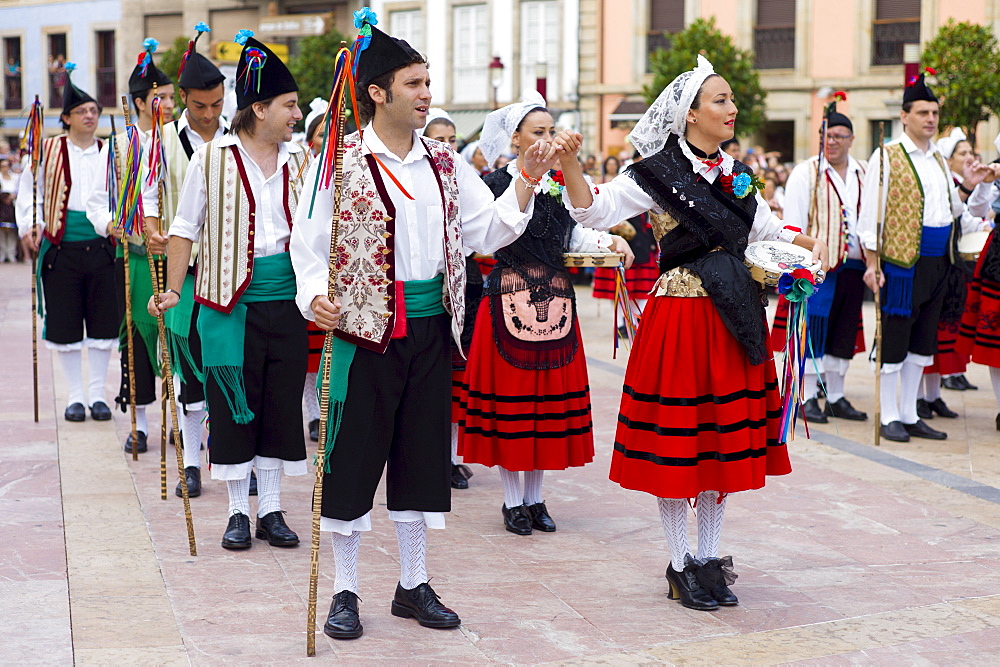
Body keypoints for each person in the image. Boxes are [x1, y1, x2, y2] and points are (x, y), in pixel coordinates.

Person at [290, 11, 562, 640]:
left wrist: (526, 181)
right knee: (353, 461)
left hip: (434, 330)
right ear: (378, 91)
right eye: (413, 83)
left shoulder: (444, 163)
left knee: (420, 459)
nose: (426, 94)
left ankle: (412, 584)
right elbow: (307, 245)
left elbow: (485, 231)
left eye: (427, 81)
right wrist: (313, 297)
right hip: (363, 334)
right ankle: (345, 590)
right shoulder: (336, 163)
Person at [558, 56, 829, 611]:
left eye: (731, 101)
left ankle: (709, 557)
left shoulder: (735, 174)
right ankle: (680, 562)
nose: (731, 109)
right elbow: (593, 212)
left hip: (733, 317)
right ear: (689, 114)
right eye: (721, 101)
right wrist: (571, 166)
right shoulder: (654, 173)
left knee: (721, 443)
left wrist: (808, 248)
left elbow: (768, 233)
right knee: (680, 443)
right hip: (680, 318)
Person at [149, 30, 308, 550]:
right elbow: (183, 227)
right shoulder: (211, 159)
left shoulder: (301, 161)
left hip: (285, 301)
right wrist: (174, 292)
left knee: (280, 405)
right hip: (225, 303)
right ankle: (239, 511)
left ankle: (274, 509)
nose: (297, 114)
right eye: (289, 104)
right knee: (234, 405)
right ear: (259, 108)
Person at [458, 91, 633, 535]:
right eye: (539, 132)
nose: (549, 140)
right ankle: (513, 501)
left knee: (542, 404)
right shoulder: (495, 184)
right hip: (506, 300)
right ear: (515, 139)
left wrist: (609, 242)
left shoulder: (558, 186)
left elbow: (574, 236)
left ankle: (535, 499)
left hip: (555, 300)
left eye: (552, 131)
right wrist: (525, 184)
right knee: (515, 403)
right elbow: (484, 239)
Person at [858, 69, 996, 443]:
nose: (931, 120)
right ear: (904, 116)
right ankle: (889, 414)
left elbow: (951, 209)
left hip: (939, 263)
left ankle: (909, 411)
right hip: (902, 264)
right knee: (895, 340)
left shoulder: (938, 159)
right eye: (923, 113)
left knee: (923, 342)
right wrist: (872, 264)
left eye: (934, 113)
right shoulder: (886, 157)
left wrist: (971, 183)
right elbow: (869, 216)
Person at [141, 21, 229, 496]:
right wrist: (154, 230)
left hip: (231, 273)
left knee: (230, 366)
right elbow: (150, 199)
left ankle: (237, 460)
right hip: (186, 274)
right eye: (199, 106)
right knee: (190, 370)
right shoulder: (162, 140)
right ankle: (191, 463)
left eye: (217, 105)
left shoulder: (235, 137)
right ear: (183, 97)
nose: (209, 115)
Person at [87, 38, 175, 454]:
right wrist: (112, 225)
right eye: (163, 99)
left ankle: (182, 421)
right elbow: (97, 199)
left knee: (178, 339)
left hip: (180, 255)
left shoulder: (180, 140)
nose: (171, 105)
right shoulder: (119, 146)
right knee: (138, 341)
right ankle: (139, 423)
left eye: (174, 98)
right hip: (137, 256)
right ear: (141, 103)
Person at [16, 64, 116, 423]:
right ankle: (75, 396)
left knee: (104, 323)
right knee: (65, 322)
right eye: (82, 111)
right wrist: (32, 224)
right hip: (60, 248)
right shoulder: (47, 150)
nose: (90, 116)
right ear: (67, 118)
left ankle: (97, 394)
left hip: (102, 247)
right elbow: (30, 191)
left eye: (94, 111)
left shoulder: (110, 151)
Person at [781, 104, 869, 424]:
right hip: (816, 269)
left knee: (844, 331)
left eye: (838, 136)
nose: (831, 142)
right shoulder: (807, 172)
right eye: (826, 135)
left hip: (855, 265)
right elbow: (792, 226)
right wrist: (798, 266)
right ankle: (805, 396)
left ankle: (835, 394)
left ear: (851, 139)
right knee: (813, 330)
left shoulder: (863, 171)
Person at [917, 128, 993, 421]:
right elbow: (961, 215)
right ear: (948, 161)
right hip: (939, 266)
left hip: (954, 271)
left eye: (970, 153)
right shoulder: (946, 184)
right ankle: (920, 399)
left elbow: (973, 213)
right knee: (928, 335)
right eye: (962, 153)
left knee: (942, 337)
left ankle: (933, 396)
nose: (969, 158)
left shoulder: (963, 184)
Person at [424, 108, 477, 489]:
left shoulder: (462, 175)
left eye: (451, 139)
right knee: (431, 382)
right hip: (428, 289)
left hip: (464, 286)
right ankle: (432, 455)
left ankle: (452, 456)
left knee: (456, 380)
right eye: (438, 139)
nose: (446, 146)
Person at [957, 132, 1000, 430]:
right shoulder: (995, 171)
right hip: (999, 258)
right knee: (996, 343)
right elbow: (974, 211)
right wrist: (985, 182)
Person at [0, 158, 17, 262]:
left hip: (12, 206)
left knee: (12, 231)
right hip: (1, 206)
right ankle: (2, 253)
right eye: (2, 166)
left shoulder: (15, 177)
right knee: (1, 232)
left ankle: (11, 253)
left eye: (6, 166)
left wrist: (12, 197)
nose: (5, 168)